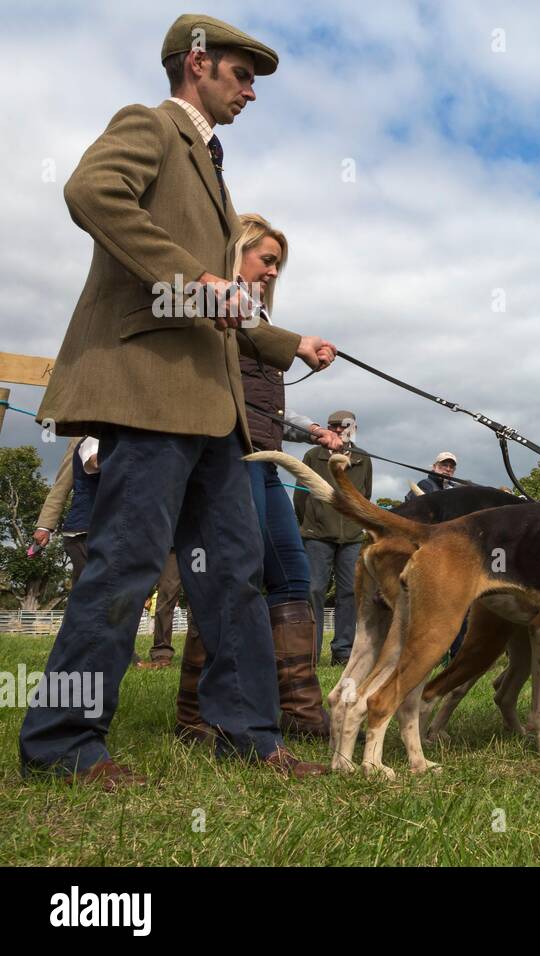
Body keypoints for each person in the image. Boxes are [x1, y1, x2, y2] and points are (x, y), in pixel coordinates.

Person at [21, 14, 334, 787]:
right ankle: (62, 742)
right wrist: (193, 280)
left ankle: (246, 733)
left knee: (234, 573)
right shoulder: (151, 125)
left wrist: (288, 342)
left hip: (215, 410)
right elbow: (89, 191)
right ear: (197, 63)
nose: (251, 90)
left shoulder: (217, 174)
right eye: (240, 73)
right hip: (150, 396)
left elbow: (222, 306)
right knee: (124, 566)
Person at [175, 213, 344, 739]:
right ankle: (196, 712)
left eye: (278, 264)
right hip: (228, 455)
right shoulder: (213, 308)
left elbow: (265, 409)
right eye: (265, 259)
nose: (272, 271)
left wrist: (308, 429)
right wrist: (293, 342)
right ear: (236, 254)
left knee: (292, 575)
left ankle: (297, 706)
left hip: (267, 457)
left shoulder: (261, 325)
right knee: (236, 574)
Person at [296, 411, 372, 666]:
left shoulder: (363, 459)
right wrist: (311, 523)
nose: (338, 430)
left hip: (351, 536)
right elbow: (300, 496)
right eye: (333, 426)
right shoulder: (312, 456)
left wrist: (357, 525)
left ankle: (343, 652)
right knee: (314, 590)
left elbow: (365, 496)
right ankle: (310, 653)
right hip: (317, 535)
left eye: (343, 426)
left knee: (349, 592)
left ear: (354, 428)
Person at [32, 437, 98, 587]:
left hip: (121, 529)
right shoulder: (82, 438)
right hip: (84, 528)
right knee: (88, 589)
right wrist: (45, 526)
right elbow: (61, 486)